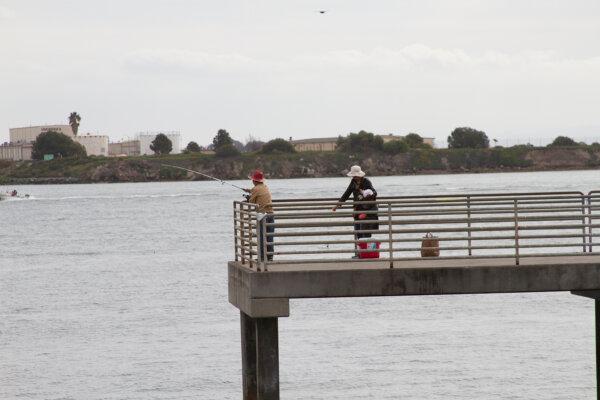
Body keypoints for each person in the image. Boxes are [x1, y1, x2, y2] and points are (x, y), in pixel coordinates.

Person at [332, 165, 379, 256]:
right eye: (353, 175)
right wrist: (338, 204)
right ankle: (359, 253)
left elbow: (374, 193)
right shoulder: (353, 182)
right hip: (358, 209)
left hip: (367, 210)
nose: (354, 177)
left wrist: (365, 193)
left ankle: (366, 254)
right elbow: (347, 193)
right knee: (358, 232)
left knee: (365, 232)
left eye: (355, 175)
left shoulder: (366, 182)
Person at [244, 170, 274, 261]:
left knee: (261, 236)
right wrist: (250, 191)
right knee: (269, 236)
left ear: (254, 181)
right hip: (271, 214)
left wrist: (248, 197)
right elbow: (258, 192)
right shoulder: (265, 187)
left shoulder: (255, 189)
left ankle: (261, 257)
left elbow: (251, 202)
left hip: (262, 215)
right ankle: (270, 256)